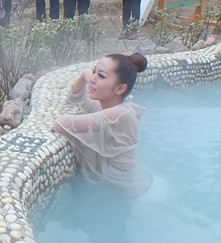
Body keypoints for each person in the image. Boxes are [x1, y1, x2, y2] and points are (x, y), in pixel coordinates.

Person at [53, 53, 150, 196]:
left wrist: (90, 79)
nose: (93, 79)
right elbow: (75, 97)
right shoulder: (108, 107)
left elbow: (61, 124)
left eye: (102, 76)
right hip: (114, 186)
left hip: (130, 191)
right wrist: (85, 75)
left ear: (120, 89)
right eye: (94, 71)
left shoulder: (121, 115)